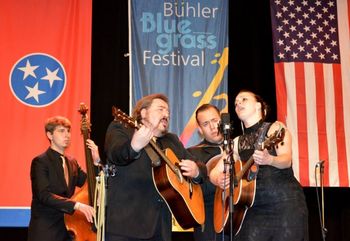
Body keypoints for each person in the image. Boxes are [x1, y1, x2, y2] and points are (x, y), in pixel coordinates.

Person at [104, 93, 207, 241]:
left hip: (161, 230)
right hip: (125, 227)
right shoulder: (122, 127)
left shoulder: (171, 140)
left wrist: (196, 171)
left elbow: (201, 168)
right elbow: (115, 154)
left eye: (168, 112)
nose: (166, 114)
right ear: (143, 112)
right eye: (161, 109)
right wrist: (133, 146)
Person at [210, 90, 308, 241]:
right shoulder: (235, 142)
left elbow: (286, 160)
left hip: (284, 202)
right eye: (236, 103)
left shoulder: (275, 128)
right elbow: (214, 173)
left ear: (258, 106)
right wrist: (218, 179)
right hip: (251, 207)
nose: (238, 104)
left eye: (243, 99)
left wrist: (270, 160)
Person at [28, 116, 101, 241]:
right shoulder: (40, 162)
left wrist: (96, 161)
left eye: (68, 131)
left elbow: (90, 184)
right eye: (61, 131)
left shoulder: (72, 162)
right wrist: (77, 205)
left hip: (68, 229)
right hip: (46, 229)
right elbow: (43, 195)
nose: (67, 135)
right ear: (50, 135)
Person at [187, 104, 229, 241]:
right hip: (209, 222)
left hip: (241, 217)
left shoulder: (238, 144)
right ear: (200, 129)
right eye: (206, 124)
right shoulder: (192, 153)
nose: (213, 127)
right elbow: (192, 194)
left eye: (215, 120)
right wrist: (214, 181)